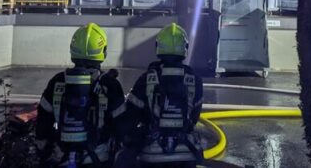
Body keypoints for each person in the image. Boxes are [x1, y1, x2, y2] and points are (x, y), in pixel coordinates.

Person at [36, 23, 125, 167]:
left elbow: (43, 122)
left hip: (62, 158)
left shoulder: (57, 82)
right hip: (98, 158)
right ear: (103, 51)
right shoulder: (110, 85)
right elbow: (122, 126)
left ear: (73, 50)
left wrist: (44, 150)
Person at [121, 23, 204, 167]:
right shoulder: (195, 81)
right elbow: (194, 118)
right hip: (186, 156)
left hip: (151, 155)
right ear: (184, 48)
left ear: (158, 47)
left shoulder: (146, 79)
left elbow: (129, 119)